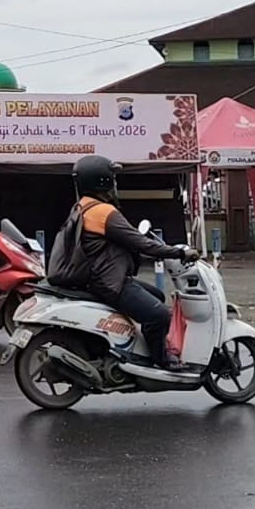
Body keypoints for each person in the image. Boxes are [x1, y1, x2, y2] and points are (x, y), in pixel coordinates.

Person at [47, 155, 199, 372]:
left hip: (97, 278)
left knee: (157, 296)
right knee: (159, 315)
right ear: (102, 181)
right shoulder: (104, 212)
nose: (115, 183)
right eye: (113, 178)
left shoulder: (82, 207)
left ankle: (135, 345)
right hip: (109, 282)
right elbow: (142, 244)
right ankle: (161, 360)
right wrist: (178, 253)